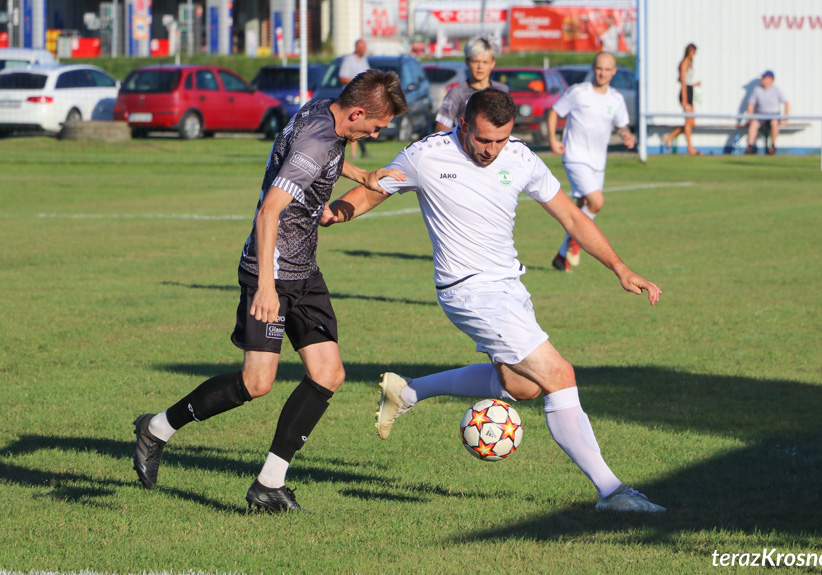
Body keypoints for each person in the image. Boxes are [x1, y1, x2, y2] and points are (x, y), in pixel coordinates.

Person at [322, 89, 666, 513]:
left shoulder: (519, 157)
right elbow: (373, 191)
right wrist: (330, 213)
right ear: (463, 125)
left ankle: (408, 393)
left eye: (501, 140)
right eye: (484, 140)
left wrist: (620, 267)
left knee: (520, 386)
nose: (492, 150)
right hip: (468, 291)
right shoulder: (427, 155)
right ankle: (612, 492)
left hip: (509, 288)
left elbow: (573, 216)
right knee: (560, 373)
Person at [132, 69, 409, 513]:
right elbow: (269, 212)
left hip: (304, 271)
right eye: (375, 127)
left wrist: (360, 174)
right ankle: (157, 429)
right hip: (272, 271)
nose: (376, 133)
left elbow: (321, 159)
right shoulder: (316, 143)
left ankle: (269, 484)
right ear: (356, 112)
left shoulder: (325, 111)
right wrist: (264, 287)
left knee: (328, 374)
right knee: (256, 383)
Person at [546, 51, 635, 273]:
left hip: (598, 162)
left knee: (581, 209)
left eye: (607, 69)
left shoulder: (616, 99)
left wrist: (626, 135)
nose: (602, 73)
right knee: (596, 202)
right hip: (575, 157)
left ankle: (561, 255)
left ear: (614, 72)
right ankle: (575, 243)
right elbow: (554, 112)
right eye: (599, 68)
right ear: (592, 68)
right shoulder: (579, 92)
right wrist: (553, 140)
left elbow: (621, 124)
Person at [433, 35, 509, 133]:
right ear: (467, 62)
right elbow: (441, 129)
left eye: (485, 62)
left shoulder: (502, 91)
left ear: (493, 63)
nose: (480, 66)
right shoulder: (457, 93)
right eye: (476, 61)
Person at [661, 43, 701, 155]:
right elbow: (683, 82)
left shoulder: (690, 63)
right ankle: (690, 148)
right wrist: (684, 98)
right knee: (688, 122)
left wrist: (694, 85)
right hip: (685, 93)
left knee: (691, 122)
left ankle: (669, 137)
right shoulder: (684, 63)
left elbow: (687, 81)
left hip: (689, 91)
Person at [744, 71, 790, 155]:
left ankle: (772, 146)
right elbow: (750, 104)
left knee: (774, 123)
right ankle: (750, 147)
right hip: (761, 114)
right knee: (753, 123)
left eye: (764, 78)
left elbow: (786, 103)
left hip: (774, 115)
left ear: (770, 79)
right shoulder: (757, 89)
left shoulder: (777, 89)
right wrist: (749, 118)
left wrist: (785, 119)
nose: (762, 80)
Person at [339, 39, 371, 159]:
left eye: (365, 47)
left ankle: (355, 153)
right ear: (357, 47)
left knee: (357, 124)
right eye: (362, 47)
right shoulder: (349, 61)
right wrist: (357, 82)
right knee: (351, 124)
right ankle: (351, 152)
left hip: (362, 98)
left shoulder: (364, 60)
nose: (364, 49)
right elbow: (342, 78)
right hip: (351, 98)